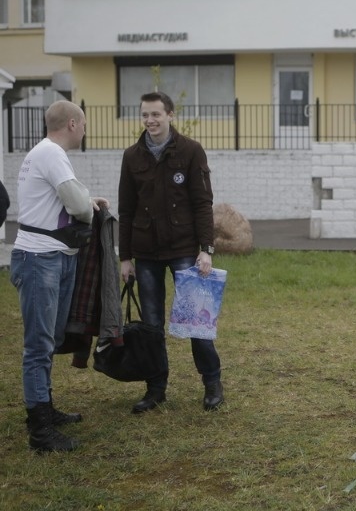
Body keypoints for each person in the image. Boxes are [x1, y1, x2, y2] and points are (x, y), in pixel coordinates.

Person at [118, 91, 224, 414]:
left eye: (156, 115)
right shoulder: (132, 156)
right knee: (151, 325)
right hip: (146, 253)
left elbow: (203, 204)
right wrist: (125, 257)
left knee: (196, 320)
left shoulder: (191, 151)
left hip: (183, 251)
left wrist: (205, 249)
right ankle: (156, 388)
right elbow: (125, 209)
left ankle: (212, 383)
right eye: (145, 115)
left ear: (171, 115)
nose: (150, 121)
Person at [12, 100, 109, 452]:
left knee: (49, 338)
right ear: (71, 123)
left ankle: (45, 408)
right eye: (82, 124)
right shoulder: (51, 153)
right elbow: (77, 205)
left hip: (52, 256)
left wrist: (86, 199)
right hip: (40, 260)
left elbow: (68, 199)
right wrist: (86, 203)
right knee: (39, 346)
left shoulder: (46, 153)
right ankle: (40, 432)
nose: (84, 130)